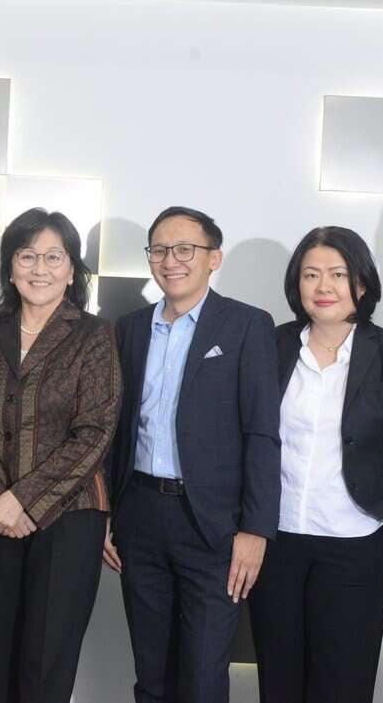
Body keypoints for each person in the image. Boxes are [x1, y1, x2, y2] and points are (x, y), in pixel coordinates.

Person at [247, 226, 383, 703]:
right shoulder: (270, 346)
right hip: (277, 543)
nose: (323, 286)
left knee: (342, 687)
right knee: (279, 684)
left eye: (337, 274)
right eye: (311, 275)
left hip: (357, 545)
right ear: (296, 285)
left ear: (362, 284)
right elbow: (245, 438)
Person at [103, 205, 281, 703]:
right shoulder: (131, 328)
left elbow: (264, 434)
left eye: (185, 249)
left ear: (213, 258)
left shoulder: (247, 325)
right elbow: (114, 430)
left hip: (214, 525)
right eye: (159, 250)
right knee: (152, 676)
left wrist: (256, 529)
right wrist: (106, 513)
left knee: (203, 679)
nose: (170, 260)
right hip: (139, 517)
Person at [0, 207, 121, 703]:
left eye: (53, 257)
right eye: (27, 256)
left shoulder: (95, 335)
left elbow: (94, 432)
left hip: (69, 521)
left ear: (72, 270)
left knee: (45, 667)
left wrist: (22, 501)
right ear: (9, 266)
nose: (39, 268)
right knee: (3, 657)